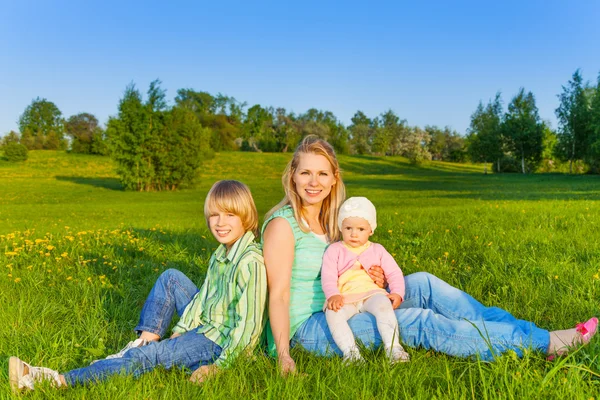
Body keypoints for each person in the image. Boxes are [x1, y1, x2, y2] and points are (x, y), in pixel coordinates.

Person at [262, 135, 598, 375]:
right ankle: (548, 344)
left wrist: (375, 279)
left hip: (355, 299)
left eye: (322, 173)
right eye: (305, 172)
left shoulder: (336, 221)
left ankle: (532, 333)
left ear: (334, 179)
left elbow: (350, 263)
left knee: (423, 284)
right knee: (415, 321)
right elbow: (277, 296)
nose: (313, 182)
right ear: (292, 175)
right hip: (311, 327)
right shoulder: (283, 226)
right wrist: (283, 356)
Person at [9, 180, 267, 393]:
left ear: (246, 217)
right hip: (208, 323)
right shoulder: (222, 253)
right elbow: (205, 299)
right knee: (171, 277)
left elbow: (249, 327)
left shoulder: (249, 262)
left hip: (218, 340)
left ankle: (54, 381)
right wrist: (181, 329)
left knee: (147, 360)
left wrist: (220, 366)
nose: (220, 223)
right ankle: (144, 343)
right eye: (214, 215)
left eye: (230, 215)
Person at [322, 196, 410, 364]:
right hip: (345, 298)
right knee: (332, 314)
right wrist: (333, 294)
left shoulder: (377, 250)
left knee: (384, 306)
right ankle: (351, 354)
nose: (354, 234)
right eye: (348, 228)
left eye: (361, 229)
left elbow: (394, 273)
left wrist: (398, 292)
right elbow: (328, 276)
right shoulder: (334, 250)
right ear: (341, 227)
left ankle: (393, 348)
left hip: (371, 294)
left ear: (371, 230)